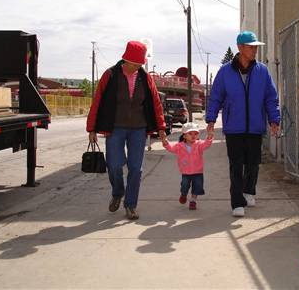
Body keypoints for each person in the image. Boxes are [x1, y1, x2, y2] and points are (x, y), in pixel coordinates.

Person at [86, 40, 166, 220]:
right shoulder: (111, 75)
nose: (137, 67)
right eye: (135, 64)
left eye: (140, 64)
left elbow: (155, 103)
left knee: (135, 169)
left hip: (139, 128)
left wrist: (161, 128)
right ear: (126, 60)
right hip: (115, 127)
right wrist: (91, 128)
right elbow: (97, 101)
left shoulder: (145, 78)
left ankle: (130, 205)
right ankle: (117, 191)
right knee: (114, 165)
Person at [206, 31, 280, 217]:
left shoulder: (262, 71)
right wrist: (210, 119)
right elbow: (215, 97)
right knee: (236, 165)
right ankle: (237, 202)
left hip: (255, 126)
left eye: (256, 47)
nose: (254, 50)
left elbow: (271, 98)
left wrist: (274, 119)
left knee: (253, 163)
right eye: (251, 46)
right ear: (240, 47)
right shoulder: (225, 72)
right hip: (234, 128)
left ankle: (249, 191)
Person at [162, 122, 213, 210]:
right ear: (184, 135)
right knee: (184, 185)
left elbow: (206, 144)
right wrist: (166, 142)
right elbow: (171, 148)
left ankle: (193, 201)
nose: (193, 136)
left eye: (195, 133)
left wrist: (209, 136)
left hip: (198, 171)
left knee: (197, 187)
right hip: (185, 172)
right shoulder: (179, 146)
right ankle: (183, 194)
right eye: (190, 133)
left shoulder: (199, 145)